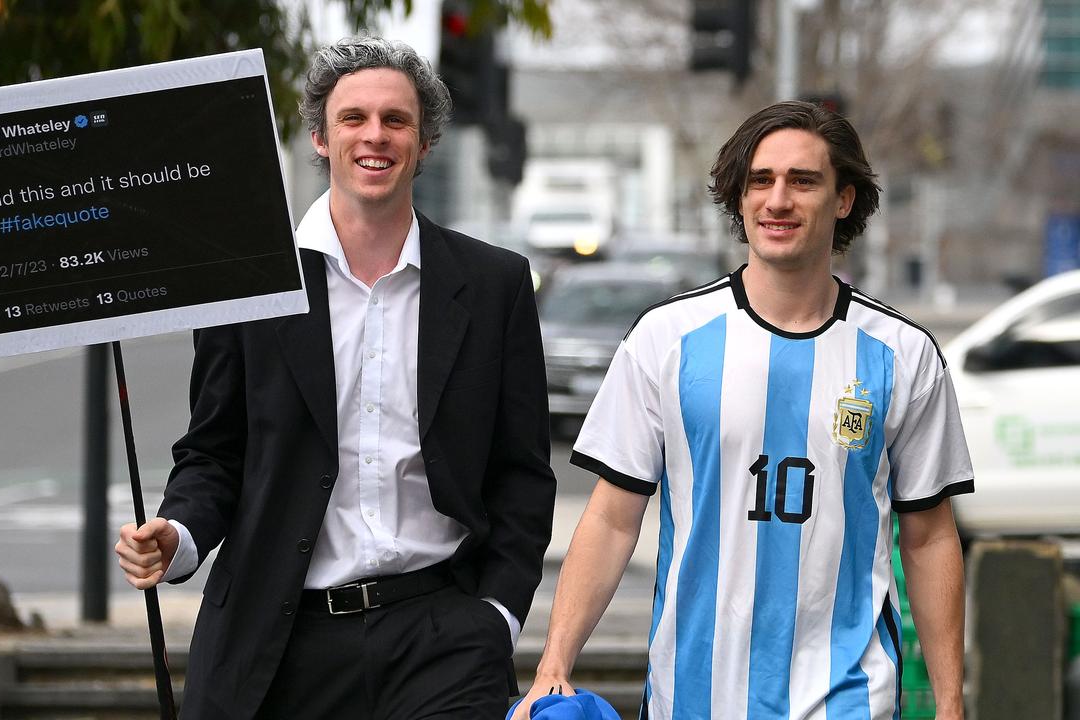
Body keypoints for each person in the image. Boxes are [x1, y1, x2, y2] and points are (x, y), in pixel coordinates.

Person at [115, 37, 555, 720]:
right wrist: (178, 535)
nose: (374, 136)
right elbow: (213, 452)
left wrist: (496, 616)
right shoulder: (251, 283)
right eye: (354, 118)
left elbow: (522, 471)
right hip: (279, 638)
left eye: (396, 119)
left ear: (425, 142)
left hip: (442, 634)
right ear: (320, 137)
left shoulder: (495, 285)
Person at [515, 101, 973, 720]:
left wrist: (949, 704)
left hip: (849, 701)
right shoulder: (664, 338)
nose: (777, 200)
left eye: (802, 181)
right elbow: (613, 518)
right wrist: (554, 663)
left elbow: (929, 535)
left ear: (844, 200)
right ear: (738, 197)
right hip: (693, 698)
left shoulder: (904, 353)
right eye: (760, 181)